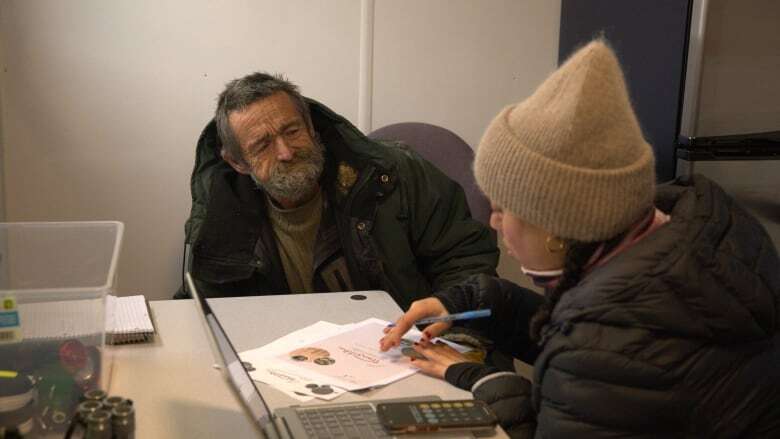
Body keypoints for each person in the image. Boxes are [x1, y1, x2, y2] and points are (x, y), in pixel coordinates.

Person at [380, 39, 780, 438]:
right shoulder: (688, 235)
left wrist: (480, 380)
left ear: (556, 228)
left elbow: (594, 359)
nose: (495, 222)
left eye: (503, 208)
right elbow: (589, 335)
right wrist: (473, 299)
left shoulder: (606, 350)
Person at [176, 72, 499, 309]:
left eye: (292, 130)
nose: (286, 152)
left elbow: (465, 260)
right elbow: (203, 306)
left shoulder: (393, 175)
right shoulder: (223, 213)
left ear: (312, 128)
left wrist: (448, 323)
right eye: (262, 145)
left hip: (403, 349)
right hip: (287, 367)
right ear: (237, 162)